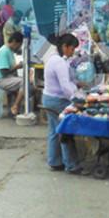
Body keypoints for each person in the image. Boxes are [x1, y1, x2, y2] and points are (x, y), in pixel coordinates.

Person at [42, 33, 82, 174]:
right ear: (64, 47)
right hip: (56, 100)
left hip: (48, 97)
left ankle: (55, 161)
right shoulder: (58, 62)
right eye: (72, 49)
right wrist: (77, 99)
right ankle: (71, 164)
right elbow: (65, 86)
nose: (72, 53)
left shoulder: (53, 59)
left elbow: (68, 81)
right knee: (65, 130)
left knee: (54, 130)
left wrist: (76, 85)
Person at [0, 32, 28, 116]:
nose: (19, 47)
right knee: (25, 82)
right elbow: (4, 72)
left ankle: (14, 106)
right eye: (19, 45)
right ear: (14, 42)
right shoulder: (4, 52)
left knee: (28, 85)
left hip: (7, 78)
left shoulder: (10, 51)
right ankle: (15, 106)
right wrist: (17, 66)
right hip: (2, 80)